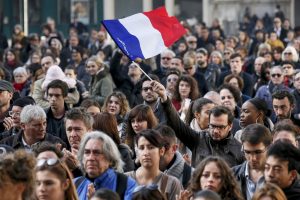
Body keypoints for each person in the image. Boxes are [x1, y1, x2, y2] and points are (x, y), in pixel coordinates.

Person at [75, 131, 136, 200]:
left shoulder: (126, 185)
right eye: (87, 152)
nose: (90, 158)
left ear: (110, 158)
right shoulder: (75, 184)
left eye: (97, 153)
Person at [126, 129, 181, 200]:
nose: (145, 153)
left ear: (161, 151)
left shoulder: (171, 183)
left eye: (151, 147)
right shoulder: (124, 179)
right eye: (141, 148)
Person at [232, 124, 272, 200]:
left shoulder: (278, 176)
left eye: (258, 152)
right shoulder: (232, 175)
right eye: (247, 152)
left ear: (268, 148)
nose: (253, 158)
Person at [0, 104, 66, 151]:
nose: (42, 128)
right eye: (37, 125)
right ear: (23, 126)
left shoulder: (56, 144)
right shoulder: (6, 145)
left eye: (44, 123)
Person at [45, 79, 71, 146]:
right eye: (50, 95)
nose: (53, 99)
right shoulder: (42, 116)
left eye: (57, 95)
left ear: (65, 97)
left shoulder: (73, 117)